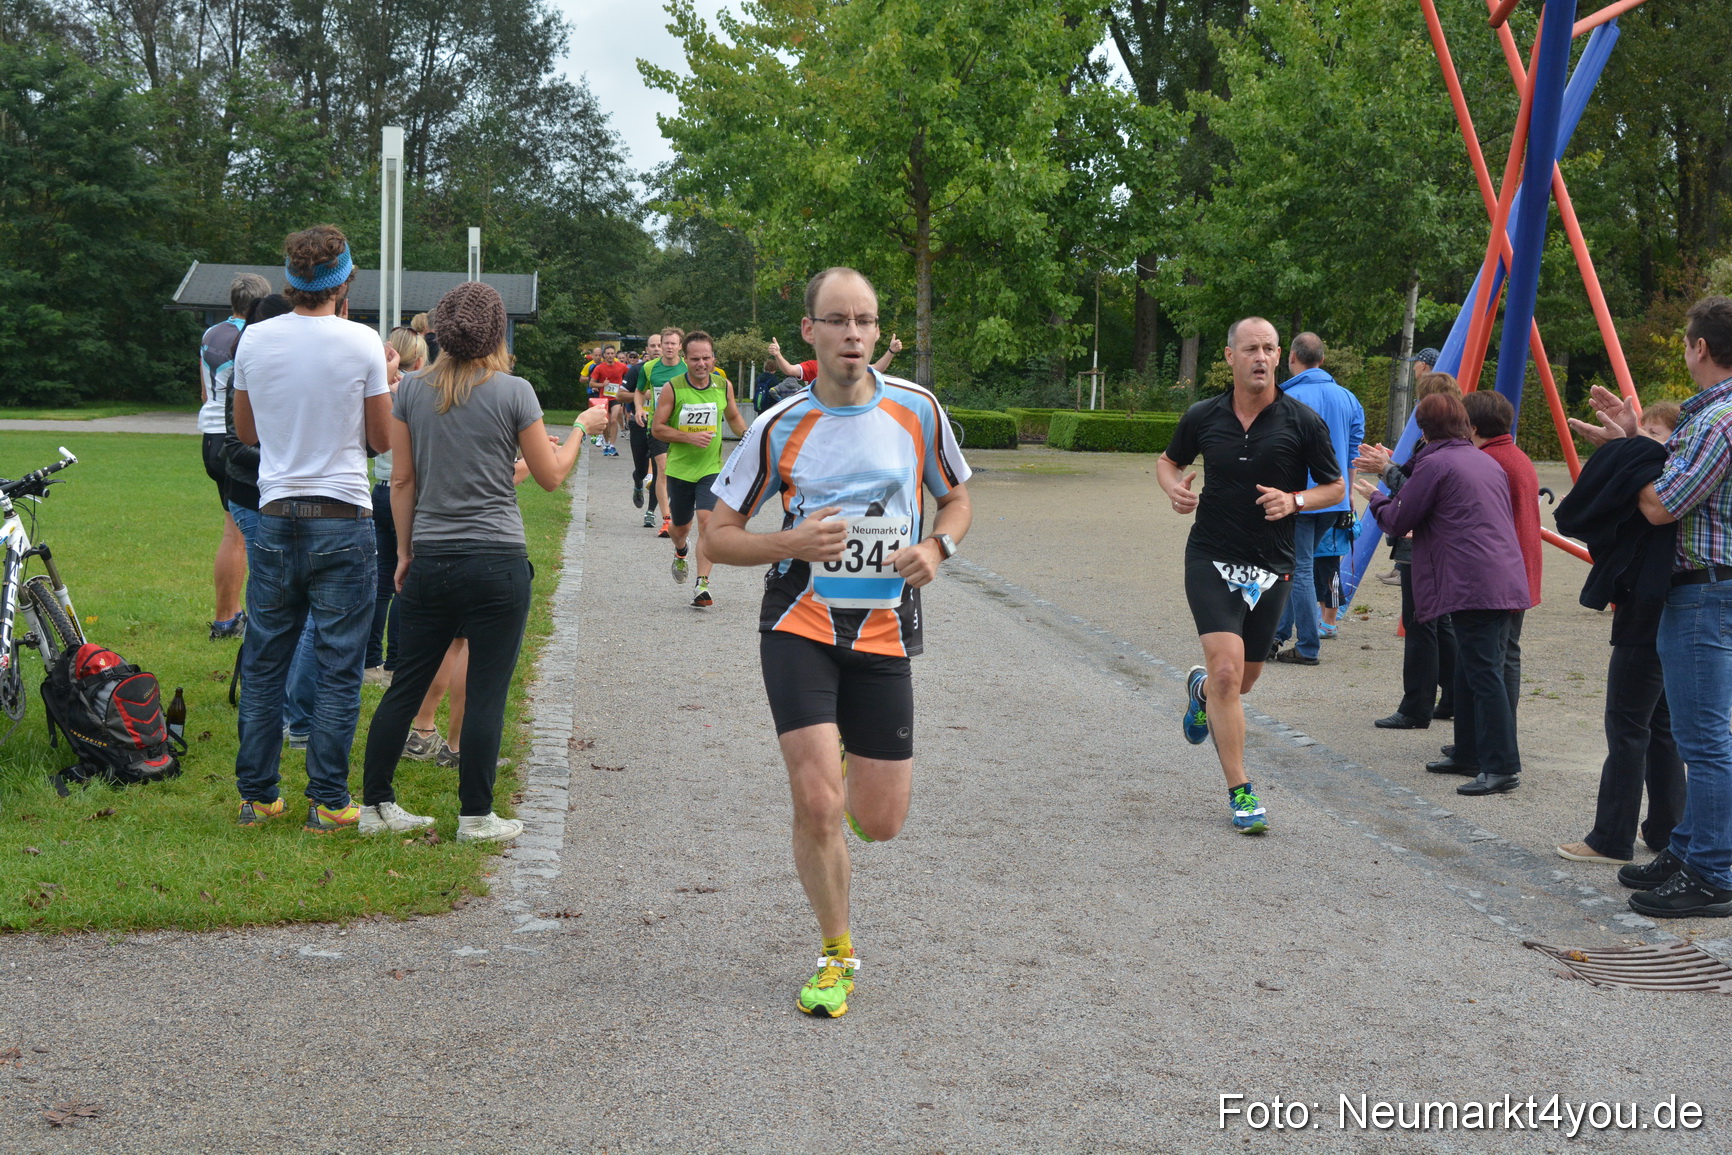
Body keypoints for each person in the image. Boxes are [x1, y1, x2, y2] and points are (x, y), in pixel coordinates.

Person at [707, 266, 970, 1019]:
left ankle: (850, 757)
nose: (853, 334)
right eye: (838, 320)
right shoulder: (776, 426)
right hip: (800, 622)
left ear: (877, 330)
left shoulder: (917, 409)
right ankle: (836, 951)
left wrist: (939, 547)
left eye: (865, 320)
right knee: (818, 800)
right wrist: (788, 541)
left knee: (880, 821)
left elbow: (956, 498)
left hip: (885, 626)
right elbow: (717, 537)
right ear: (810, 331)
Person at [359, 283, 606, 840]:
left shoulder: (412, 390)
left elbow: (402, 481)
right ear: (497, 333)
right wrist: (581, 431)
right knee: (487, 694)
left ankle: (375, 807)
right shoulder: (515, 392)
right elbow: (551, 475)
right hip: (497, 562)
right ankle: (475, 815)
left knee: (405, 686)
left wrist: (405, 551)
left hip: (431, 557)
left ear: (440, 332)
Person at [1574, 297, 1732, 918]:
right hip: (1697, 588)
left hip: (1704, 591)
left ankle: (1714, 872)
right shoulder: (1709, 416)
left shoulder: (1718, 420)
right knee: (1695, 735)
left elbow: (1663, 504)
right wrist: (1631, 443)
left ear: (1700, 347)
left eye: (1687, 342)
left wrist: (1626, 454)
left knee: (1705, 741)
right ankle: (1688, 849)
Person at [231, 225, 392, 831]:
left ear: (291, 279)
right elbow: (381, 439)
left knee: (265, 660)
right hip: (342, 516)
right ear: (344, 282)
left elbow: (246, 432)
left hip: (275, 515)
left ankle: (257, 795)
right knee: (339, 665)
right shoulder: (363, 342)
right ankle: (326, 799)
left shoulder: (254, 338)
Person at [1159, 317, 1343, 834]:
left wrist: (1296, 500)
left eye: (1268, 348)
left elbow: (1335, 487)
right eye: (1250, 349)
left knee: (1242, 681)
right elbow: (1168, 462)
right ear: (1230, 356)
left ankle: (1201, 693)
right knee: (1226, 671)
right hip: (1211, 557)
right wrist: (1174, 489)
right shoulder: (1203, 415)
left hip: (1272, 565)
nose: (1260, 357)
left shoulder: (1302, 421)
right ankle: (1241, 791)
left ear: (1280, 356)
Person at [1359, 392, 1528, 797]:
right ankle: (1469, 753)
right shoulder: (1483, 460)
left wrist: (1376, 498)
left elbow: (1399, 519)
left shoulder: (1436, 463)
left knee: (1483, 673)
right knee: (1470, 670)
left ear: (1424, 429)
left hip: (1473, 581)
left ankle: (1502, 766)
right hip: (1500, 575)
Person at [1554, 402, 1684, 864]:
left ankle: (1611, 837)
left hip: (1647, 607)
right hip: (1669, 602)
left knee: (1627, 724)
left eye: (1655, 433)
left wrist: (1631, 445)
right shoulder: (1675, 474)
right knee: (1661, 724)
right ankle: (1668, 829)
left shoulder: (1666, 474)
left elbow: (1595, 512)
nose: (1646, 441)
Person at [1432, 389, 1540, 773]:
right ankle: (1483, 740)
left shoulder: (1490, 460)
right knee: (1496, 658)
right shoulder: (1515, 456)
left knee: (1493, 663)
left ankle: (1493, 744)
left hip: (1500, 577)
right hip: (1519, 570)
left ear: (1473, 427)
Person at [1358, 371, 1462, 730]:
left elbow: (1416, 492)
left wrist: (1385, 472)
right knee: (1441, 625)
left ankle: (1416, 706)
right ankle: (1452, 696)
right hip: (1437, 546)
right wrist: (1388, 464)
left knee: (1419, 624)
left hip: (1419, 544)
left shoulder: (1433, 446)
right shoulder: (1454, 443)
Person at [1268, 333, 1364, 665]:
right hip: (1334, 498)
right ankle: (1278, 635)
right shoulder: (1348, 398)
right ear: (1322, 360)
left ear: (1291, 357)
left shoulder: (1284, 396)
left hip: (1297, 497)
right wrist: (1348, 494)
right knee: (1300, 566)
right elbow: (1353, 451)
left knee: (1298, 568)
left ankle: (1307, 645)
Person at [200, 272, 273, 640]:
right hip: (238, 440)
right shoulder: (255, 337)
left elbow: (205, 391)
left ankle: (229, 613)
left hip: (210, 434)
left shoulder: (211, 333)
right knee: (240, 535)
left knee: (232, 531)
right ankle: (227, 618)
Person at [651, 330, 748, 607]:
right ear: (685, 359)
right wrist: (688, 437)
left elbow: (733, 417)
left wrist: (750, 437)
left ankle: (702, 585)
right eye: (695, 359)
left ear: (713, 358)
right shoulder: (673, 387)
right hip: (680, 470)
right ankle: (681, 550)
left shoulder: (723, 385)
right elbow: (658, 429)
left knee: (707, 522)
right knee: (680, 528)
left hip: (711, 468)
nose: (701, 364)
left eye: (706, 358)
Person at [364, 327, 428, 687]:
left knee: (382, 580)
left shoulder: (377, 390)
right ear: (418, 361)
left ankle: (370, 661)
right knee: (406, 580)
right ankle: (395, 662)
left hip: (380, 490)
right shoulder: (415, 395)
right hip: (407, 493)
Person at [640, 326, 689, 538]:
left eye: (673, 343)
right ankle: (667, 520)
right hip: (657, 426)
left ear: (680, 346)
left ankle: (679, 515)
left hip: (681, 428)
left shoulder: (688, 368)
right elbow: (639, 391)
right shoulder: (649, 367)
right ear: (661, 345)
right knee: (663, 468)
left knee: (679, 473)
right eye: (666, 343)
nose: (669, 347)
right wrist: (639, 408)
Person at [622, 333, 664, 524]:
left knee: (660, 470)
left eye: (659, 345)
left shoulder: (675, 372)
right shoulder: (637, 370)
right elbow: (620, 396)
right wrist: (642, 395)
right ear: (647, 350)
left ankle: (651, 512)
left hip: (661, 426)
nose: (657, 349)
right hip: (639, 423)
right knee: (641, 469)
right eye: (652, 346)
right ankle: (638, 481)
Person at [768, 333, 901, 383]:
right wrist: (778, 354)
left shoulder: (850, 365)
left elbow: (876, 369)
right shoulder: (814, 366)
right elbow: (789, 370)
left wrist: (891, 351)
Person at [590, 344, 626, 457]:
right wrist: (602, 384)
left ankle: (612, 445)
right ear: (604, 355)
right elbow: (591, 383)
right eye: (608, 354)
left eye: (612, 353)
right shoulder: (599, 368)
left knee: (614, 420)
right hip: (604, 398)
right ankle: (605, 443)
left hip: (616, 398)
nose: (610, 355)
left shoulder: (622, 366)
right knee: (606, 422)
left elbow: (630, 377)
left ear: (615, 354)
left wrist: (624, 387)